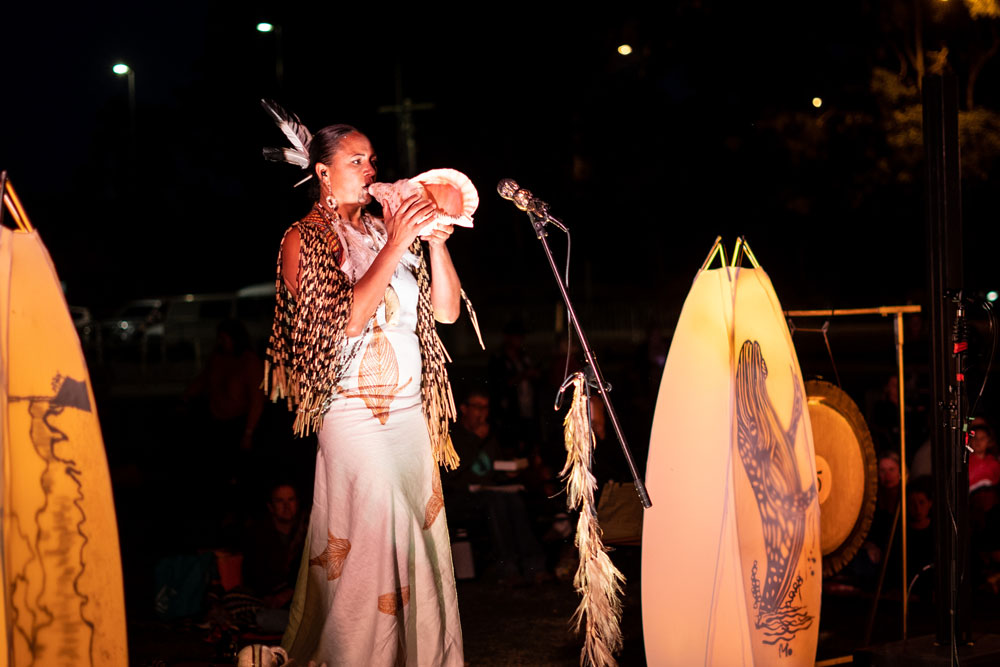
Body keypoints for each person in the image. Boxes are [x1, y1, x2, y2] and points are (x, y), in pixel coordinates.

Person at [263, 122, 464, 665]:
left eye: (372, 160)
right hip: (354, 414)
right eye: (356, 161)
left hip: (409, 414)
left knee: (418, 539)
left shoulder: (381, 230)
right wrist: (399, 241)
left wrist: (436, 245)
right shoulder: (302, 238)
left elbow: (445, 312)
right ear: (322, 172)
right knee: (375, 541)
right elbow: (346, 321)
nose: (371, 170)